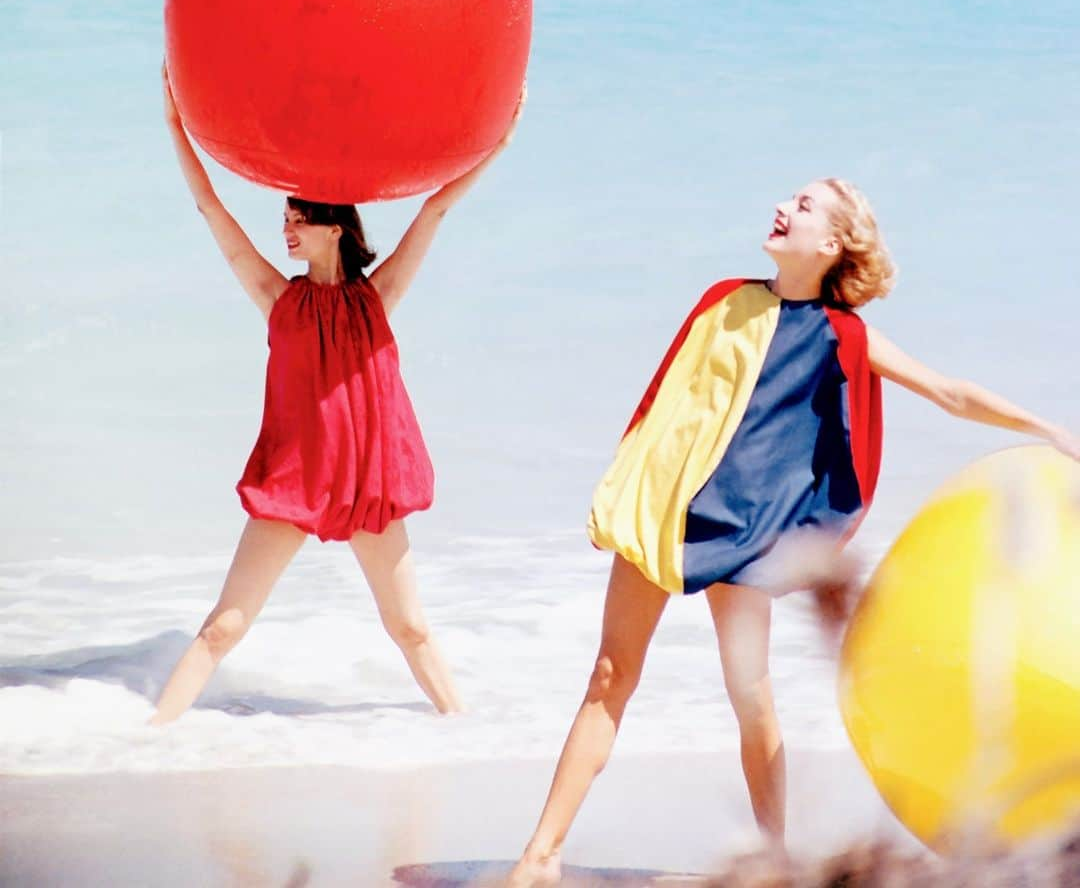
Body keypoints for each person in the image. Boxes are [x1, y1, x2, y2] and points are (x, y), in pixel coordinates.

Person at [508, 177, 1079, 886]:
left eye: (804, 207)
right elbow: (665, 406)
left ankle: (775, 860)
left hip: (750, 534)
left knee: (751, 698)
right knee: (609, 674)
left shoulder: (846, 335)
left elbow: (949, 392)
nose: (783, 207)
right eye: (790, 199)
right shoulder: (724, 301)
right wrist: (621, 496)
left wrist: (1047, 427)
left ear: (831, 244)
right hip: (672, 514)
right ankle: (541, 855)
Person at [151, 65, 525, 725]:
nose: (286, 229)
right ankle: (147, 739)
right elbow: (212, 209)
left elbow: (436, 207)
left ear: (336, 227)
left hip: (365, 487)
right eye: (286, 217)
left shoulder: (375, 299)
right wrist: (177, 124)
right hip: (294, 484)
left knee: (409, 628)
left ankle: (468, 733)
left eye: (298, 218)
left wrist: (498, 144)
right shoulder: (278, 298)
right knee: (223, 627)